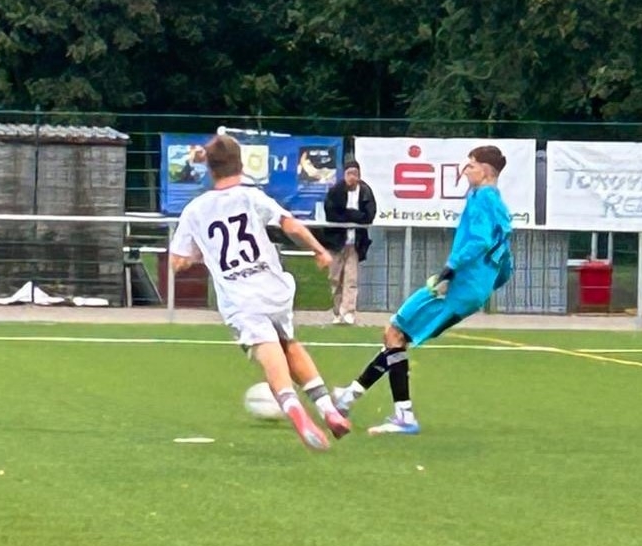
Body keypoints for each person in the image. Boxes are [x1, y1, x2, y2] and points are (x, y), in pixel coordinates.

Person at [168, 134, 351, 452]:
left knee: (269, 353)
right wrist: (319, 250)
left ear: (210, 169)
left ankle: (297, 414)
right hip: (273, 286)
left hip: (240, 297)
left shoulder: (195, 210)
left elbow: (177, 262)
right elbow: (290, 225)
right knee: (289, 344)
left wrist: (198, 254)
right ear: (240, 163)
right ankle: (328, 409)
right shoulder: (252, 197)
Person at [332, 145, 515, 436]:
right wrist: (486, 286)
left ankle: (402, 416)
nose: (465, 170)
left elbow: (479, 241)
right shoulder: (500, 206)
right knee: (397, 337)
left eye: (470, 165)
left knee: (395, 332)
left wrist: (449, 271)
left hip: (458, 286)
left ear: (484, 170)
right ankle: (349, 396)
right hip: (472, 290)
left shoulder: (481, 198)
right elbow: (505, 261)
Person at [322, 160, 378, 325]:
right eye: (349, 173)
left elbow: (368, 216)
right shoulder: (335, 191)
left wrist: (349, 215)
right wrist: (352, 215)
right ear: (344, 174)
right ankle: (337, 312)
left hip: (355, 243)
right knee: (335, 278)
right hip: (336, 242)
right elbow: (332, 214)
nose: (352, 177)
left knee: (351, 279)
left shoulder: (365, 192)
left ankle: (348, 312)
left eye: (355, 174)